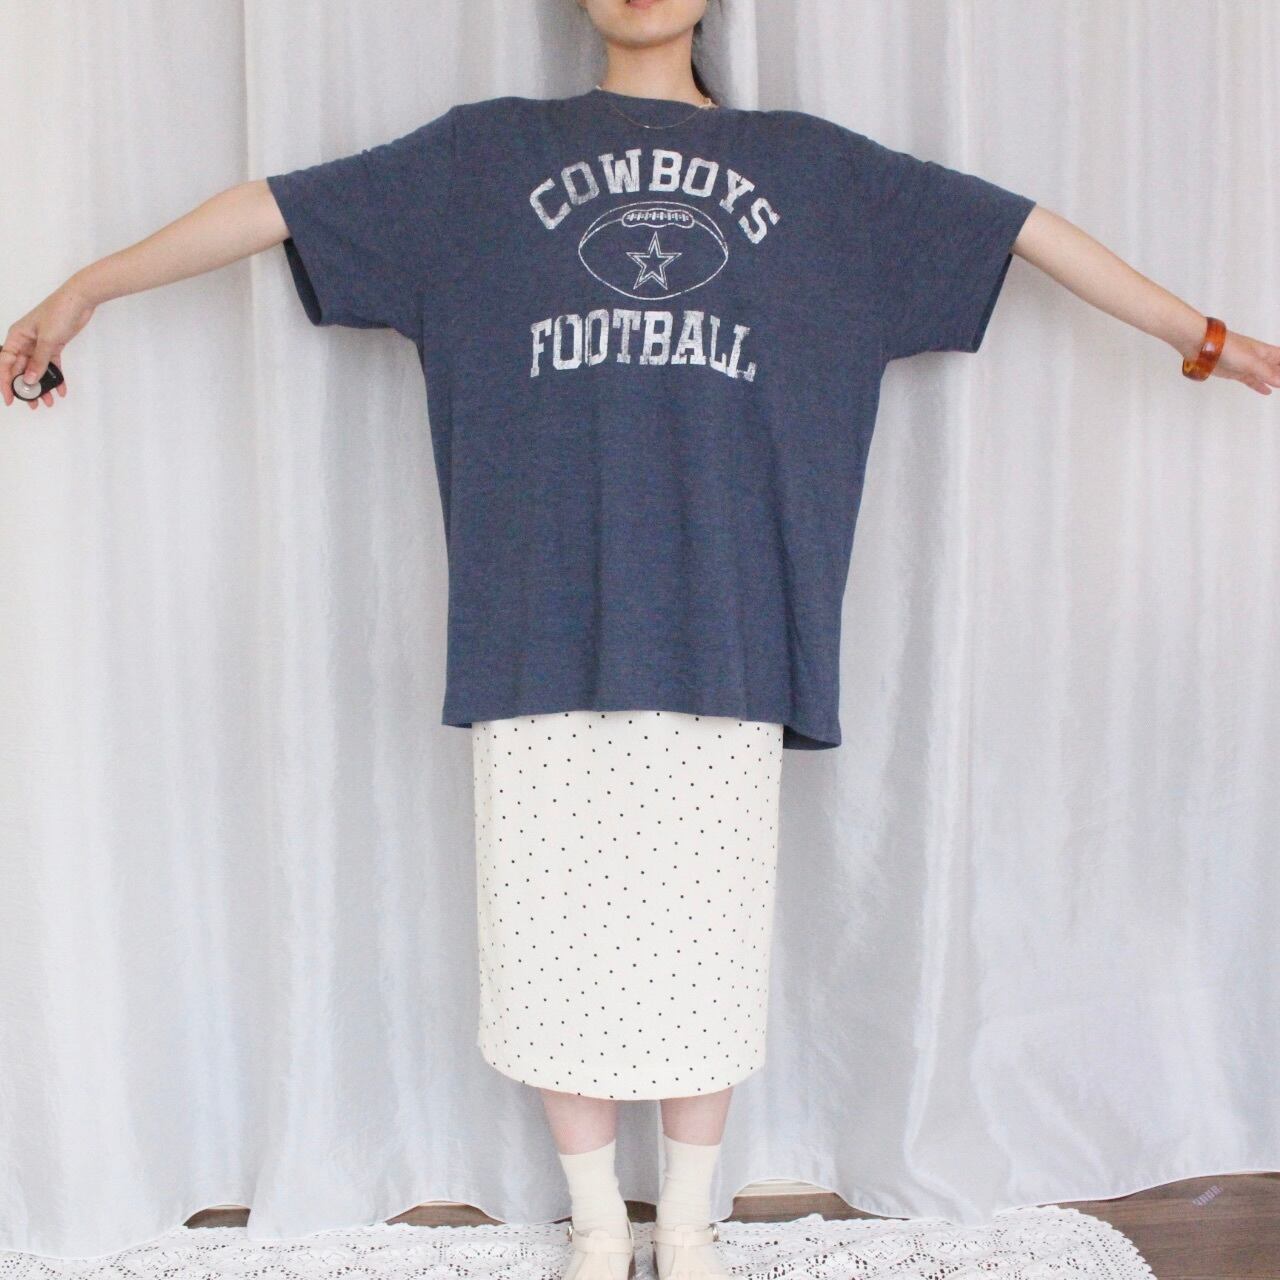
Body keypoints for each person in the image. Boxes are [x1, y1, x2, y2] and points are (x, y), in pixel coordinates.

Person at [4, 1, 1277, 1277]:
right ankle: (598, 1220)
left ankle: (685, 1219)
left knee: (702, 945)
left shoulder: (814, 172)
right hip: (536, 623)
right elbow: (273, 207)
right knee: (548, 943)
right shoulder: (483, 158)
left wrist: (1206, 340)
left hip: (722, 625)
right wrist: (88, 286)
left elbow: (1018, 228)